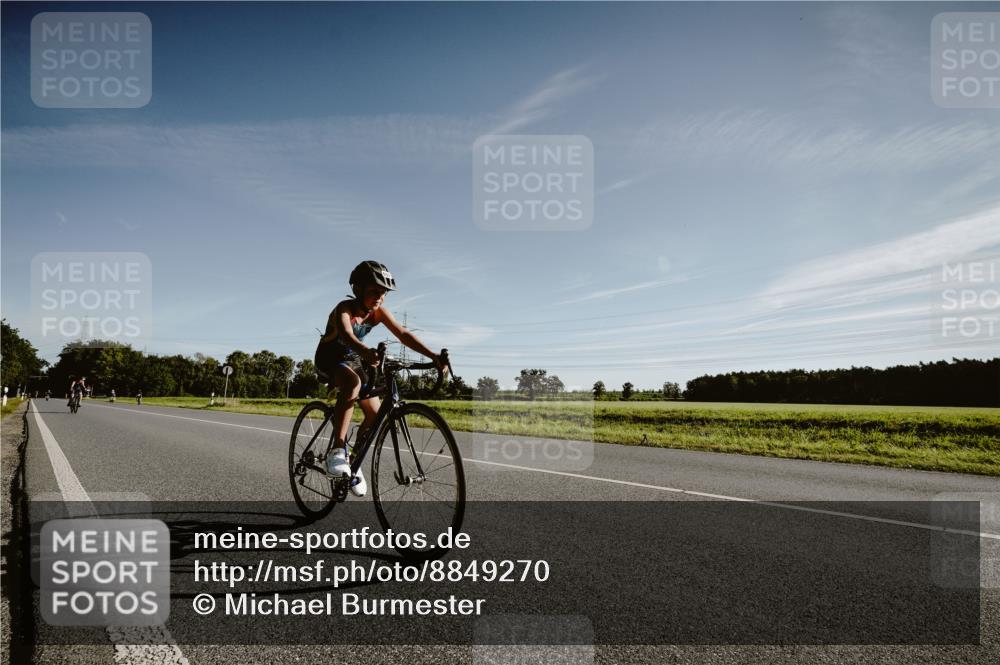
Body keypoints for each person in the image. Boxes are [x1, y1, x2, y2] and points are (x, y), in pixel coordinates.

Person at [314, 261, 444, 497]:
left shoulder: (378, 313)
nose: (379, 297)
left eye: (383, 293)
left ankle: (353, 463)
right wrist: (365, 351)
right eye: (374, 291)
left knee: (374, 415)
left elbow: (403, 334)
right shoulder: (344, 308)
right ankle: (337, 451)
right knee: (352, 384)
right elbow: (347, 334)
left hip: (354, 359)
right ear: (358, 289)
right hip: (330, 359)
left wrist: (433, 356)